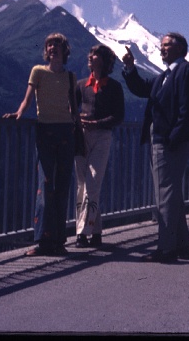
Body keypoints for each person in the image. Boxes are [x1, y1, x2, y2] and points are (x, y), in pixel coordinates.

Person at [121, 32, 189, 263]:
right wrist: (129, 69)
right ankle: (181, 246)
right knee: (171, 194)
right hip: (161, 139)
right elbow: (141, 88)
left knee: (165, 194)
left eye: (167, 45)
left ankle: (166, 249)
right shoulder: (164, 76)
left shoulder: (186, 72)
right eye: (162, 45)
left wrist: (172, 138)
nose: (162, 49)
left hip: (168, 141)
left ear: (181, 49)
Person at [4, 33, 77, 256]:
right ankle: (44, 241)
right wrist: (19, 112)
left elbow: (73, 108)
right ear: (46, 50)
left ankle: (59, 241)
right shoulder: (38, 71)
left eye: (57, 45)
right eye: (49, 45)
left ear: (64, 50)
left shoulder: (70, 77)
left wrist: (79, 130)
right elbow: (28, 98)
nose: (52, 48)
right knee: (45, 186)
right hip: (45, 130)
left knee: (63, 186)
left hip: (66, 131)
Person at [73, 44, 125, 248]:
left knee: (92, 183)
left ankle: (81, 233)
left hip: (102, 136)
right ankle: (95, 231)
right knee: (83, 184)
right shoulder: (80, 85)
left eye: (95, 54)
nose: (91, 57)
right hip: (81, 135)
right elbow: (71, 109)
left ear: (104, 60)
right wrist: (78, 120)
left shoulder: (114, 87)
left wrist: (97, 123)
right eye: (90, 54)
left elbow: (119, 116)